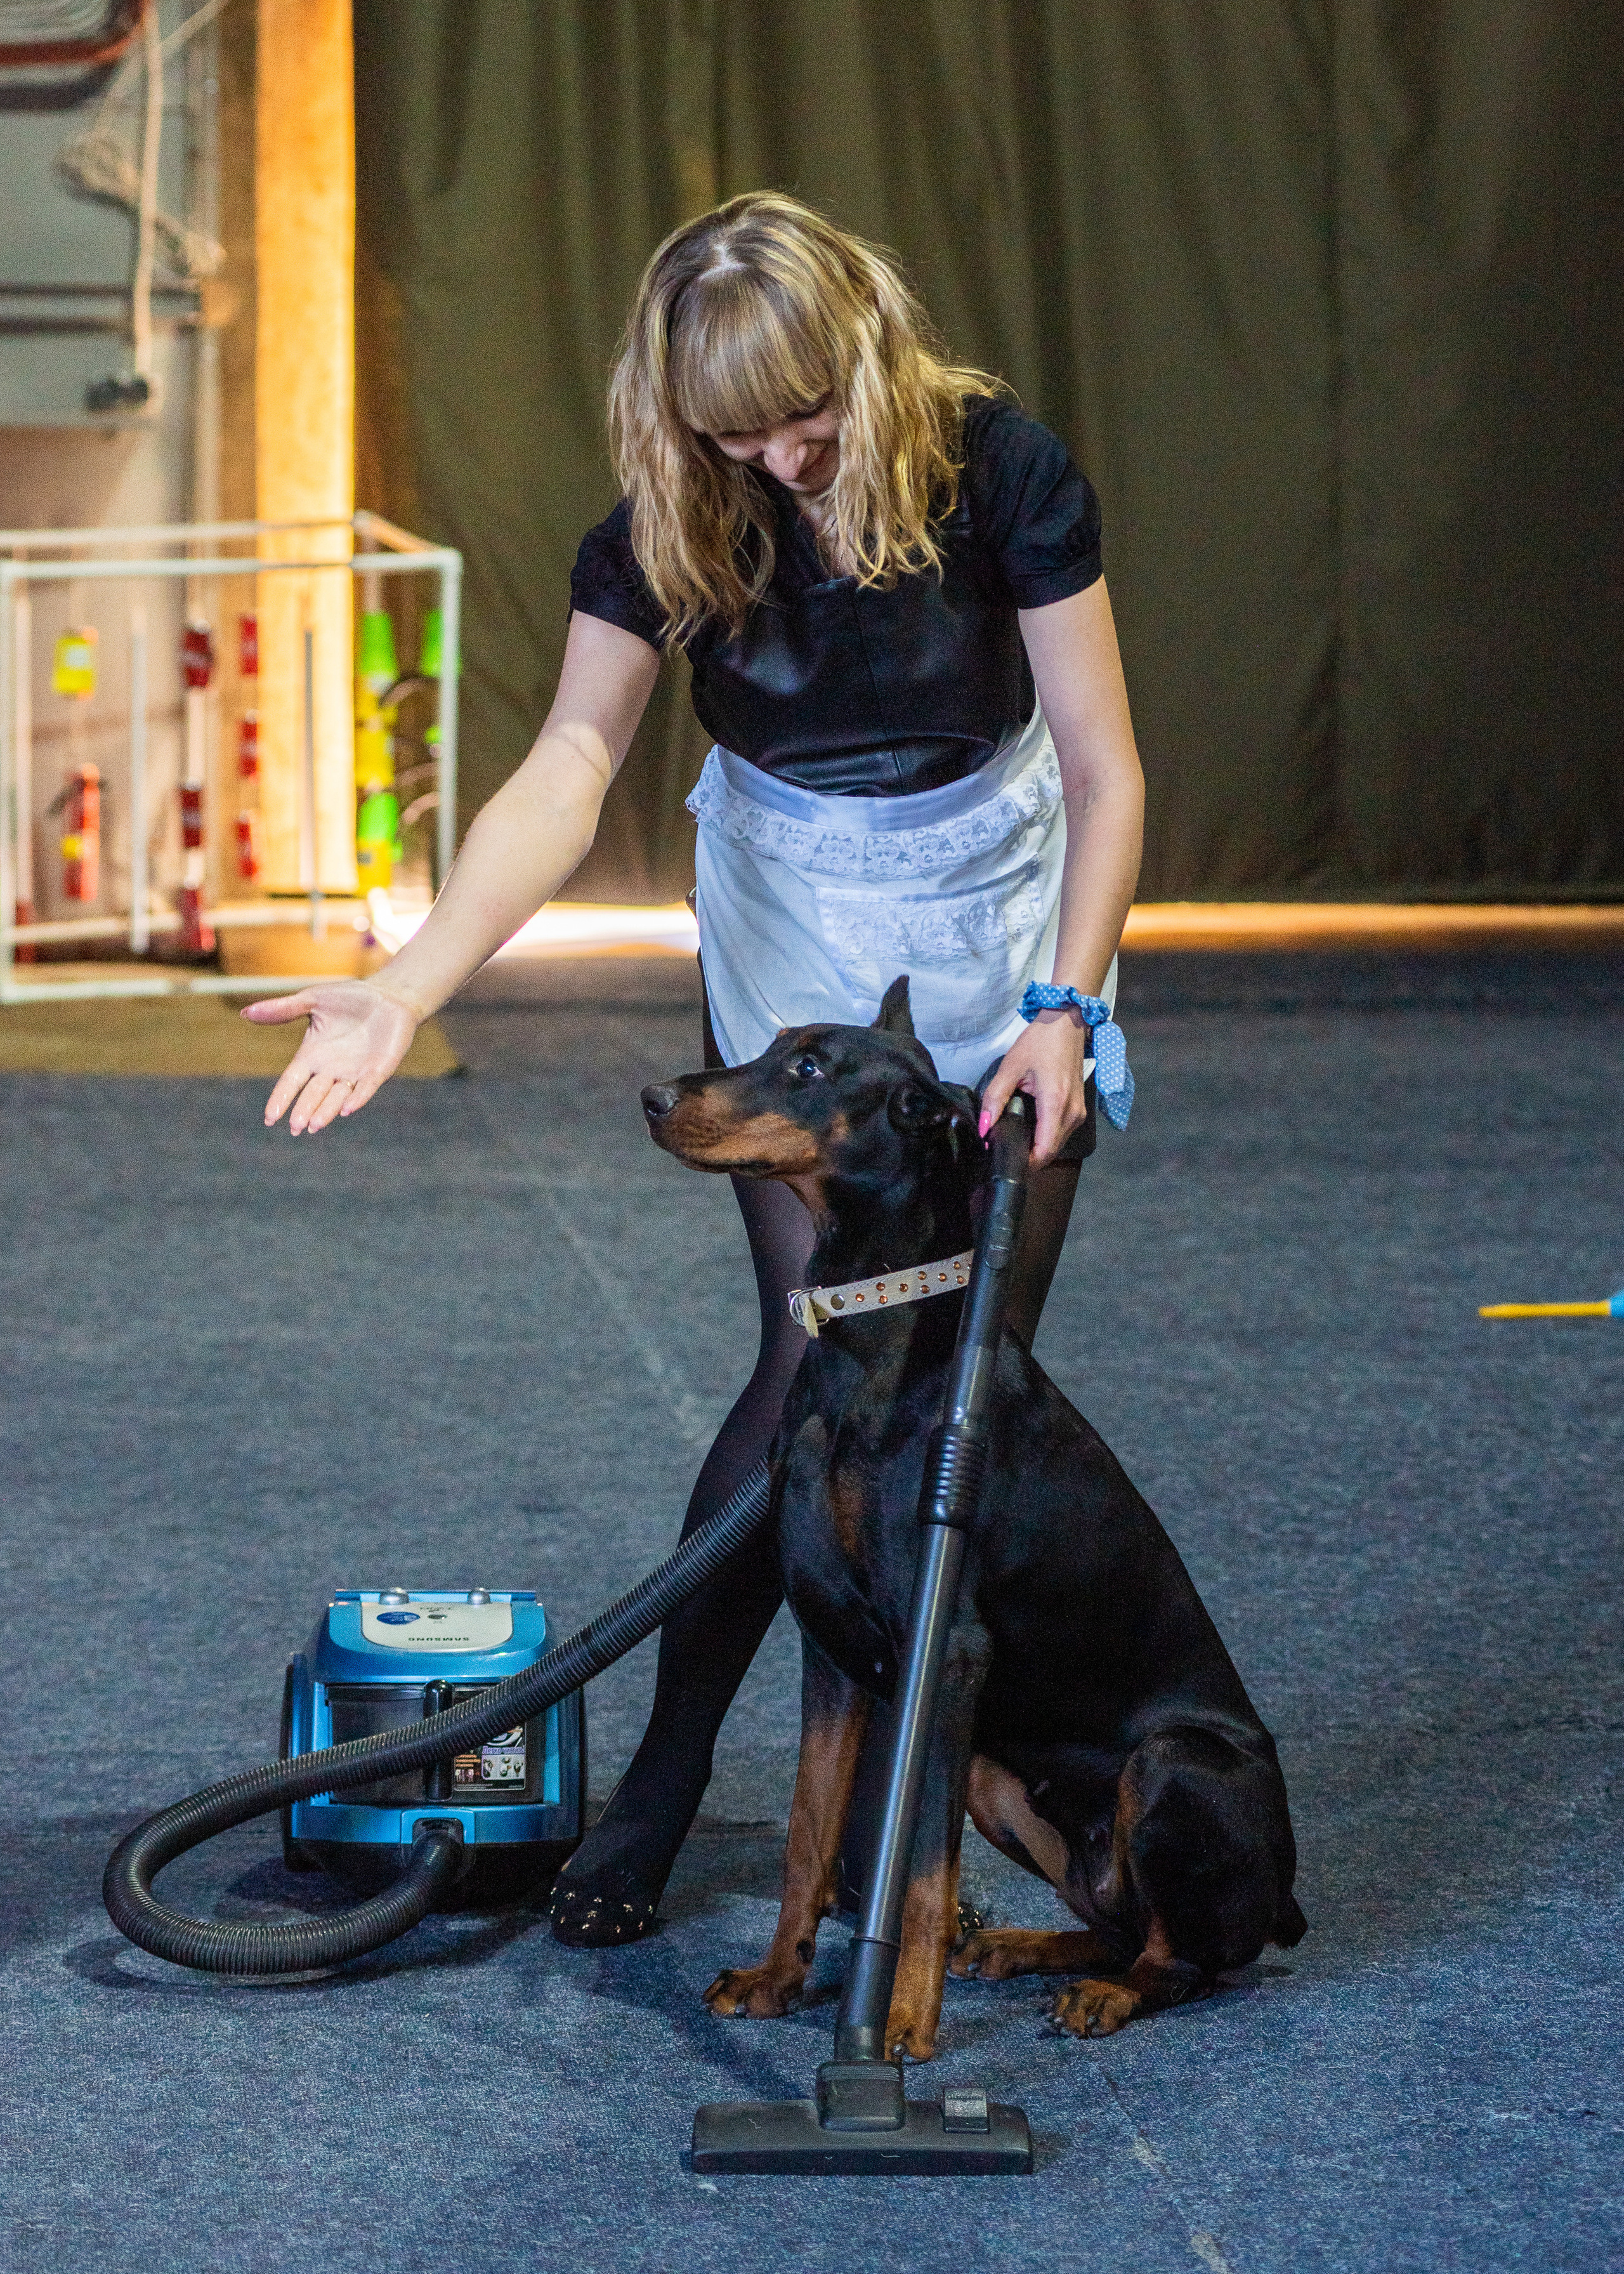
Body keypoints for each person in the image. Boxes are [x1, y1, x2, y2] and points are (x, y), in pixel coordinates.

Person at [245, 192, 1145, 1946]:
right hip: (796, 900)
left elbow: (1110, 769)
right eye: (740, 432)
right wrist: (409, 982)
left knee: (968, 1368)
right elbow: (569, 768)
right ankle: (669, 1768)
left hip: (1003, 902)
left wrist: (1067, 1003)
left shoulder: (1004, 470)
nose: (786, 456)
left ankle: (928, 1775)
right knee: (806, 1362)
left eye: (809, 416)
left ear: (868, 355)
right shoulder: (674, 516)